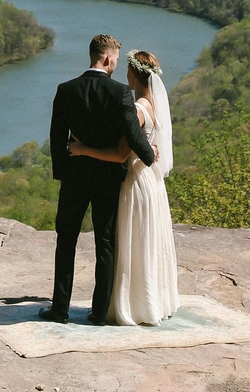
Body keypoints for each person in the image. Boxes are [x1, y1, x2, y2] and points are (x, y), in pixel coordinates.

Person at [39, 34, 155, 325]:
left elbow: (56, 139)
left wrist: (65, 173)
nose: (116, 64)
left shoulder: (66, 90)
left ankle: (60, 310)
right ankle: (100, 312)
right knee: (105, 243)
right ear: (107, 58)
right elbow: (133, 134)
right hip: (107, 180)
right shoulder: (120, 94)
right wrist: (150, 155)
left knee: (66, 242)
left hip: (74, 178)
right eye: (115, 59)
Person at [68, 49, 179, 325]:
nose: (125, 74)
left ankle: (131, 305)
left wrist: (82, 149)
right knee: (146, 242)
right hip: (151, 183)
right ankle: (150, 302)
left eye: (128, 70)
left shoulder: (138, 109)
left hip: (135, 184)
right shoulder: (152, 105)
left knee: (133, 243)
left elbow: (119, 154)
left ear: (134, 73)